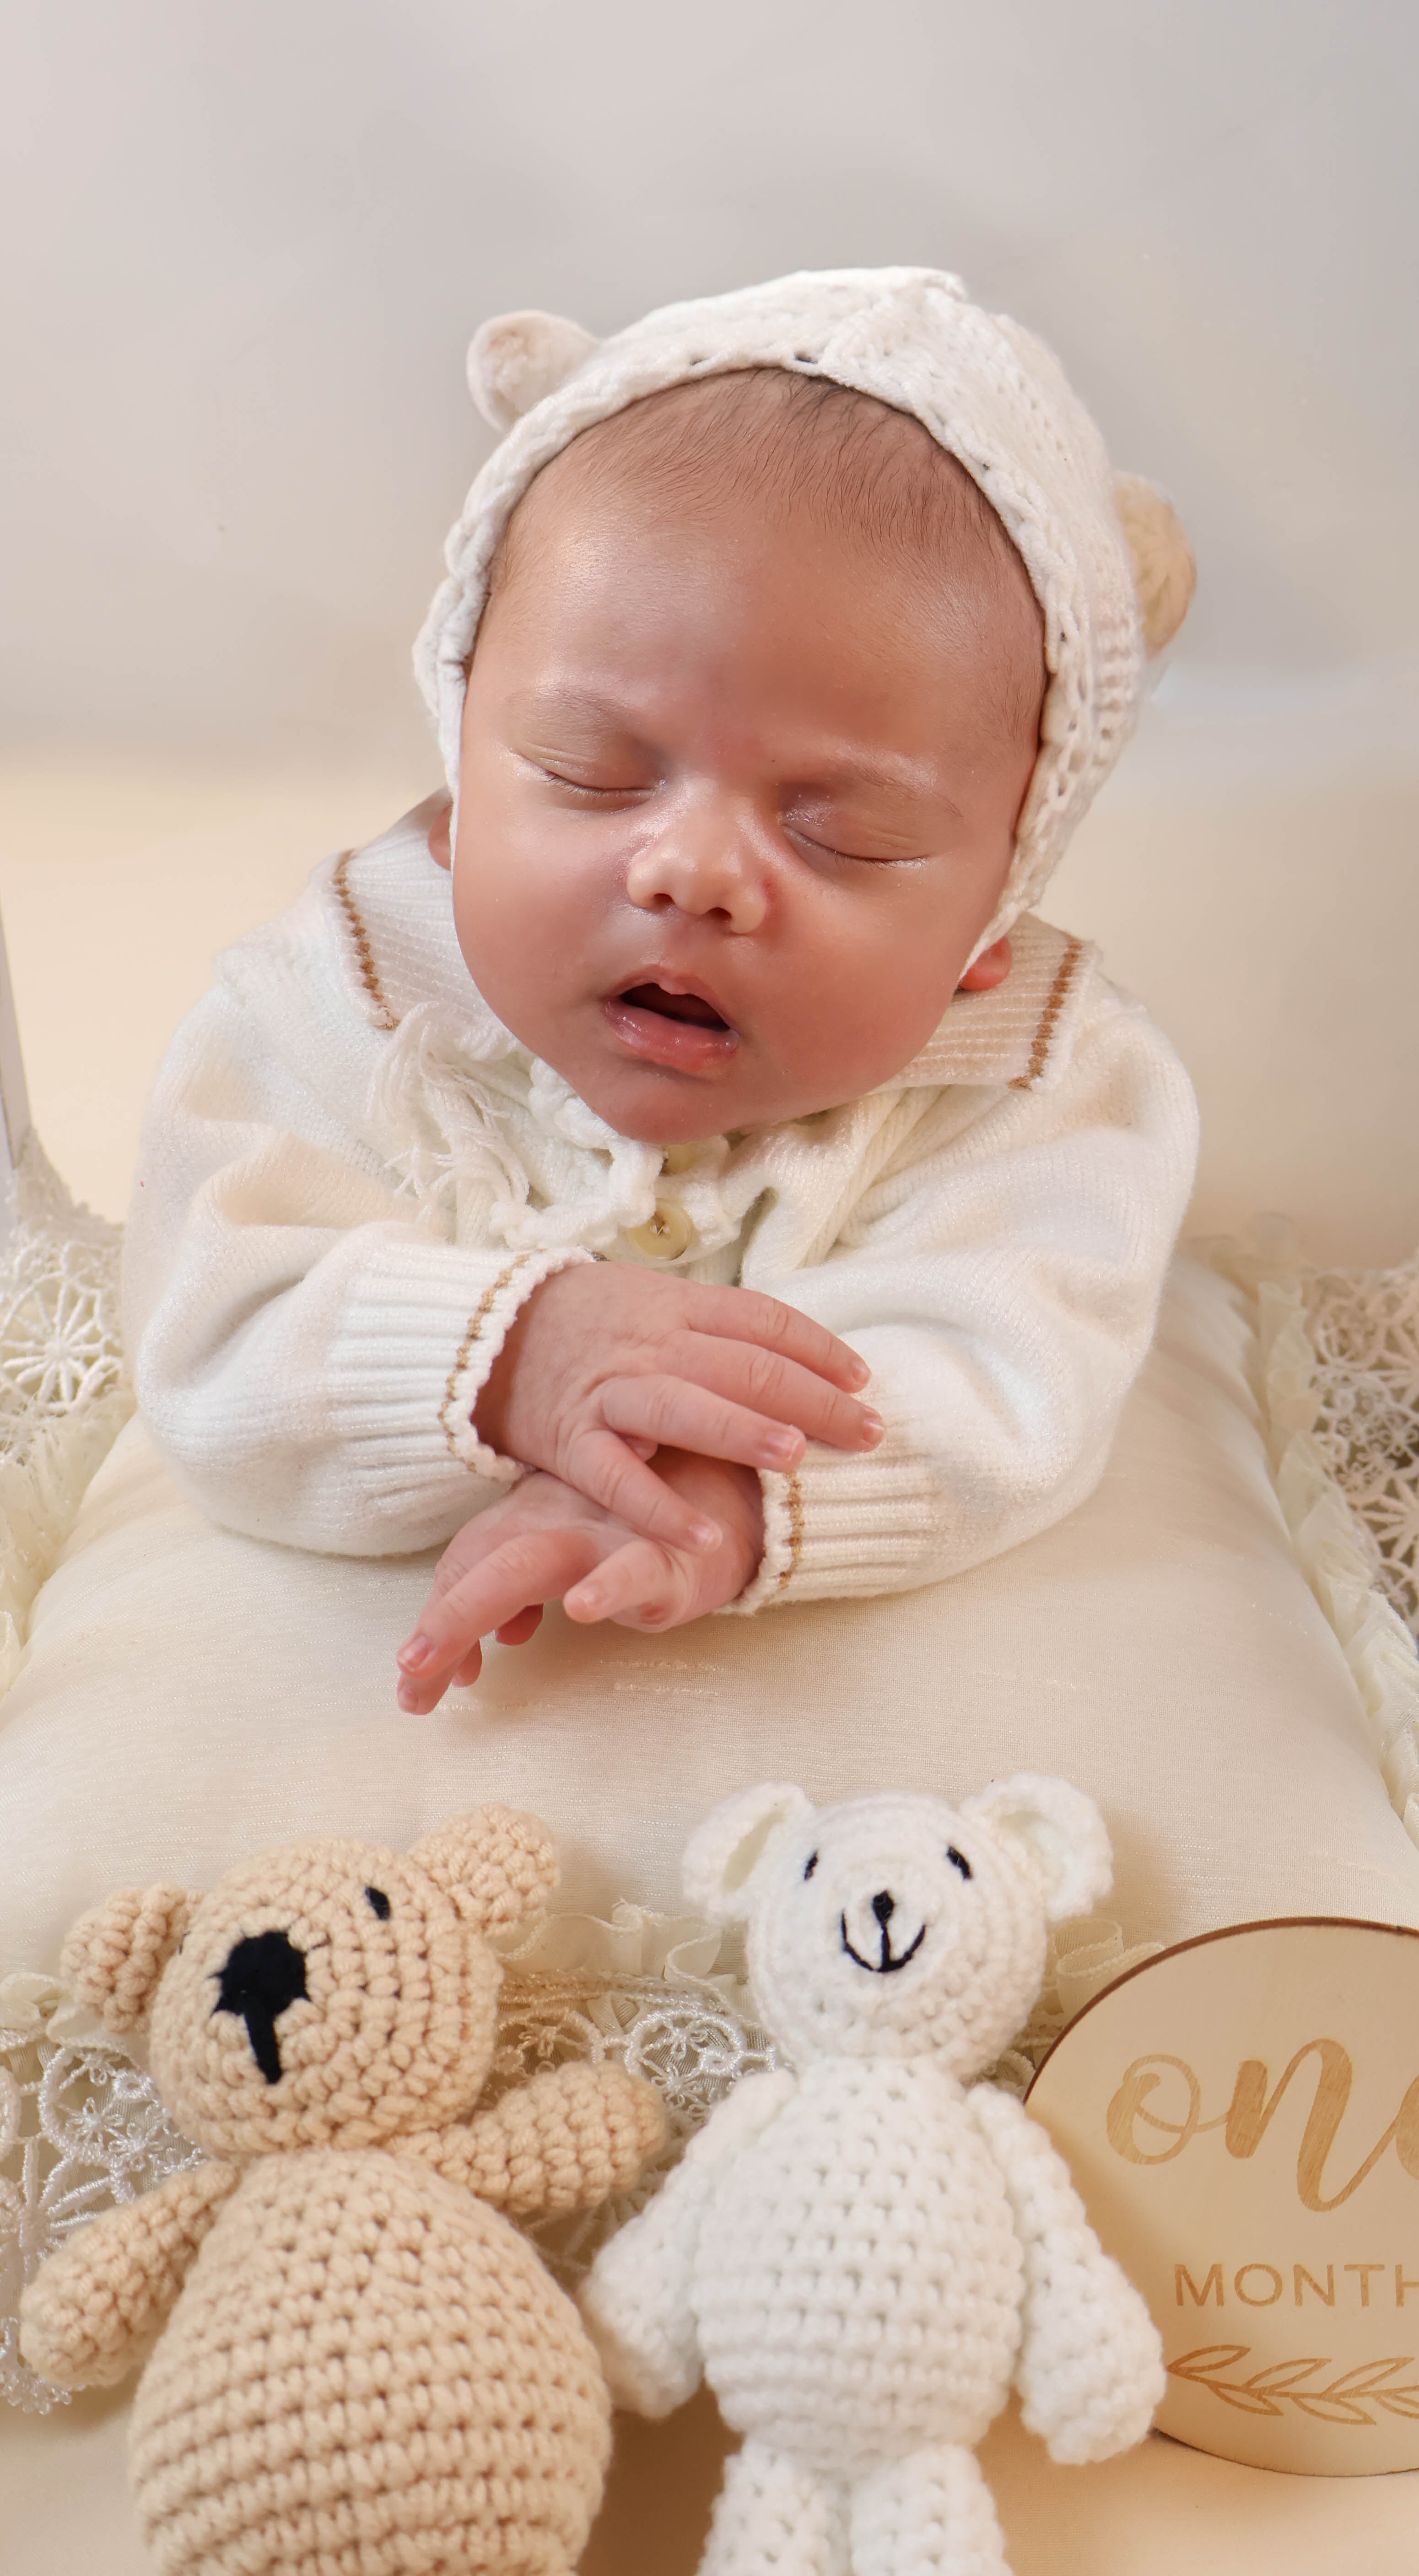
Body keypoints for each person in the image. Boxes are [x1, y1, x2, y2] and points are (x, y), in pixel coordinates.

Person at [123, 267, 1199, 1716]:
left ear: (986, 927)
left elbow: (1016, 1373)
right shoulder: (344, 1001)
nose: (692, 872)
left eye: (844, 833)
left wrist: (715, 1488)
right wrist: (512, 1353)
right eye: (588, 771)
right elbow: (211, 1333)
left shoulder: (1037, 1086)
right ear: (461, 776)